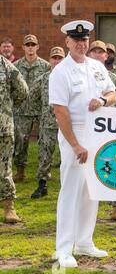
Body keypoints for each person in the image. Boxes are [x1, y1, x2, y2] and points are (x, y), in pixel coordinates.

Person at [49, 20, 116, 268]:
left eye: (85, 40)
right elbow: (60, 111)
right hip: (74, 133)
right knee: (71, 191)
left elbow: (113, 94)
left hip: (97, 133)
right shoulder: (61, 71)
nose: (81, 44)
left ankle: (85, 241)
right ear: (67, 42)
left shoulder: (97, 67)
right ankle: (63, 249)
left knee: (92, 189)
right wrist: (76, 145)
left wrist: (102, 99)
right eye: (76, 40)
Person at [87, 39, 116, 222]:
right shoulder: (82, 75)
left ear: (107, 56)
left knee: (114, 167)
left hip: (111, 131)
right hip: (88, 132)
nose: (98, 55)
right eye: (95, 52)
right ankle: (87, 209)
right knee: (88, 169)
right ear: (89, 54)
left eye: (102, 52)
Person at [13, 34, 51, 182]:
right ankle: (20, 171)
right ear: (23, 47)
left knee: (44, 141)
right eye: (27, 45)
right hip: (22, 110)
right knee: (21, 141)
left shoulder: (45, 66)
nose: (30, 48)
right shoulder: (15, 66)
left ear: (37, 47)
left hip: (41, 110)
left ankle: (44, 172)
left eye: (33, 45)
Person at [30, 46, 66, 199]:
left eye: (60, 58)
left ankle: (69, 186)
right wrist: (44, 113)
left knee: (69, 155)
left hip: (67, 122)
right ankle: (42, 184)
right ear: (50, 60)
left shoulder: (70, 77)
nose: (57, 61)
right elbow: (33, 98)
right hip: (48, 123)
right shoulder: (43, 79)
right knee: (45, 154)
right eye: (54, 58)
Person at [0, 54, 29, 223]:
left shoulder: (5, 65)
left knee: (4, 169)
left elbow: (22, 90)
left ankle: (9, 208)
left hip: (3, 127)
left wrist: (7, 108)